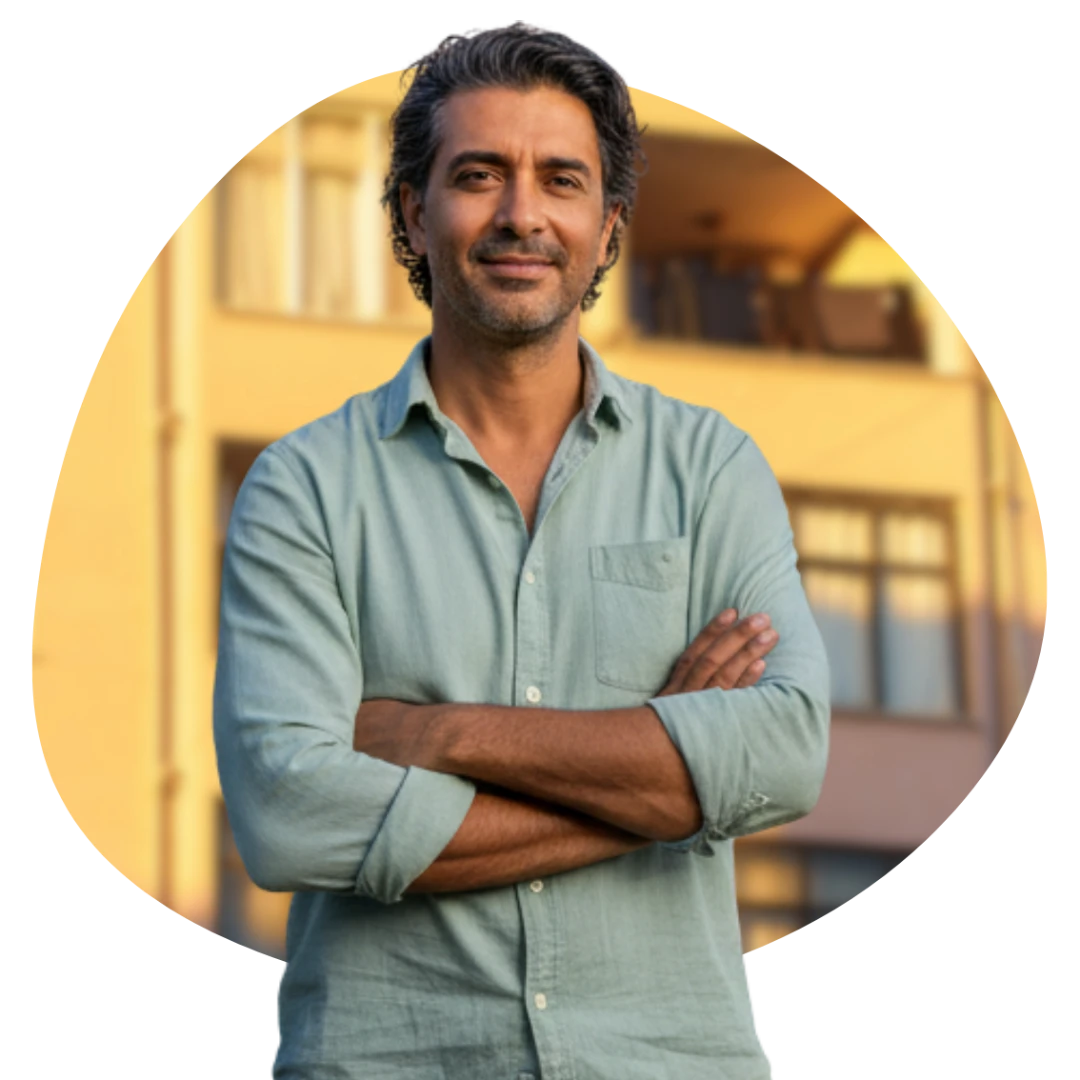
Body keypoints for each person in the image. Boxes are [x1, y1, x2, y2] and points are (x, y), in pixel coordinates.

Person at [213, 23, 830, 1080]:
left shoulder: (710, 468)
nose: (521, 215)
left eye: (561, 179)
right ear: (414, 213)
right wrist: (669, 784)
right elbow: (290, 815)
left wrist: (434, 733)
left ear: (609, 225)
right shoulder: (304, 487)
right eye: (478, 175)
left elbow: (783, 754)